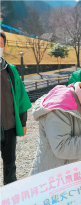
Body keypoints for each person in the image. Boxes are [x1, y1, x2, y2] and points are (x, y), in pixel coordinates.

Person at [0, 30, 32, 185]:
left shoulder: (10, 70)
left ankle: (10, 193)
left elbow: (21, 99)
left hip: (9, 128)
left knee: (10, 164)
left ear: (4, 47)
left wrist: (23, 122)